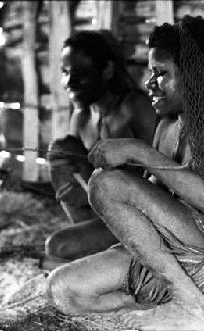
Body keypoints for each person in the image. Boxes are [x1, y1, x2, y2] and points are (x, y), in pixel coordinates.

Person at [46, 16, 204, 331]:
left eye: (161, 73)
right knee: (63, 288)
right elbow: (154, 201)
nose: (150, 82)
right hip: (179, 254)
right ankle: (156, 308)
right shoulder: (169, 125)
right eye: (151, 72)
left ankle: (191, 306)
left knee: (106, 185)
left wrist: (138, 152)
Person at [44, 31, 156, 266]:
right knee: (61, 151)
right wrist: (21, 186)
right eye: (65, 73)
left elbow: (164, 181)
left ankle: (130, 262)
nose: (70, 82)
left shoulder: (137, 108)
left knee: (58, 247)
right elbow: (77, 185)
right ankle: (102, 257)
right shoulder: (82, 117)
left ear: (107, 71)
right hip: (105, 218)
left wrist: (97, 174)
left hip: (146, 222)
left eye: (81, 73)